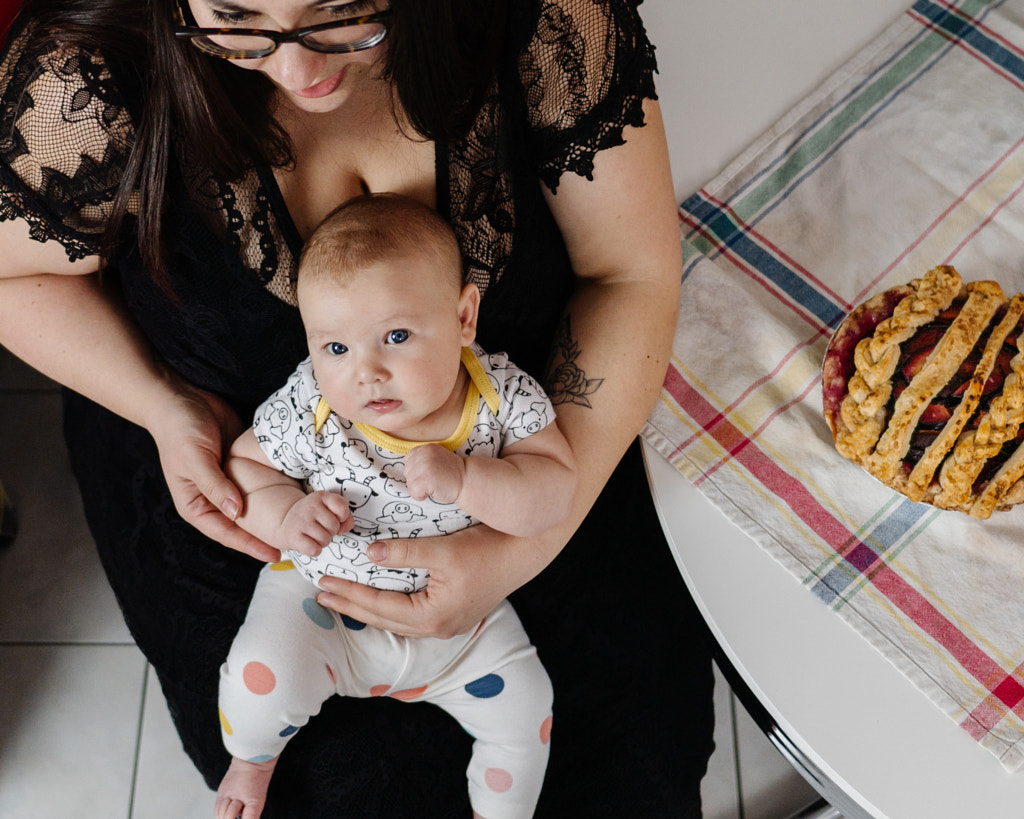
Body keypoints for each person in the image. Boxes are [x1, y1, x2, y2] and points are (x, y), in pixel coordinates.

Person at [0, 0, 716, 816]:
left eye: (342, 12)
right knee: (336, 785)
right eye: (236, 18)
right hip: (254, 478)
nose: (301, 71)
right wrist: (166, 409)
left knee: (632, 755)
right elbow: (13, 277)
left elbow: (631, 276)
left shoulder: (547, 15)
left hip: (532, 450)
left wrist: (519, 544)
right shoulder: (87, 69)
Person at [217, 193, 572, 819]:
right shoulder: (314, 406)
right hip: (323, 600)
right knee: (259, 674)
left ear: (464, 317)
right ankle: (250, 760)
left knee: (527, 709)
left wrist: (468, 480)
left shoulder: (501, 396)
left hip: (467, 619)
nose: (367, 372)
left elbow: (554, 491)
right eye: (336, 349)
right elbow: (244, 468)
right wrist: (284, 516)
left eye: (397, 336)